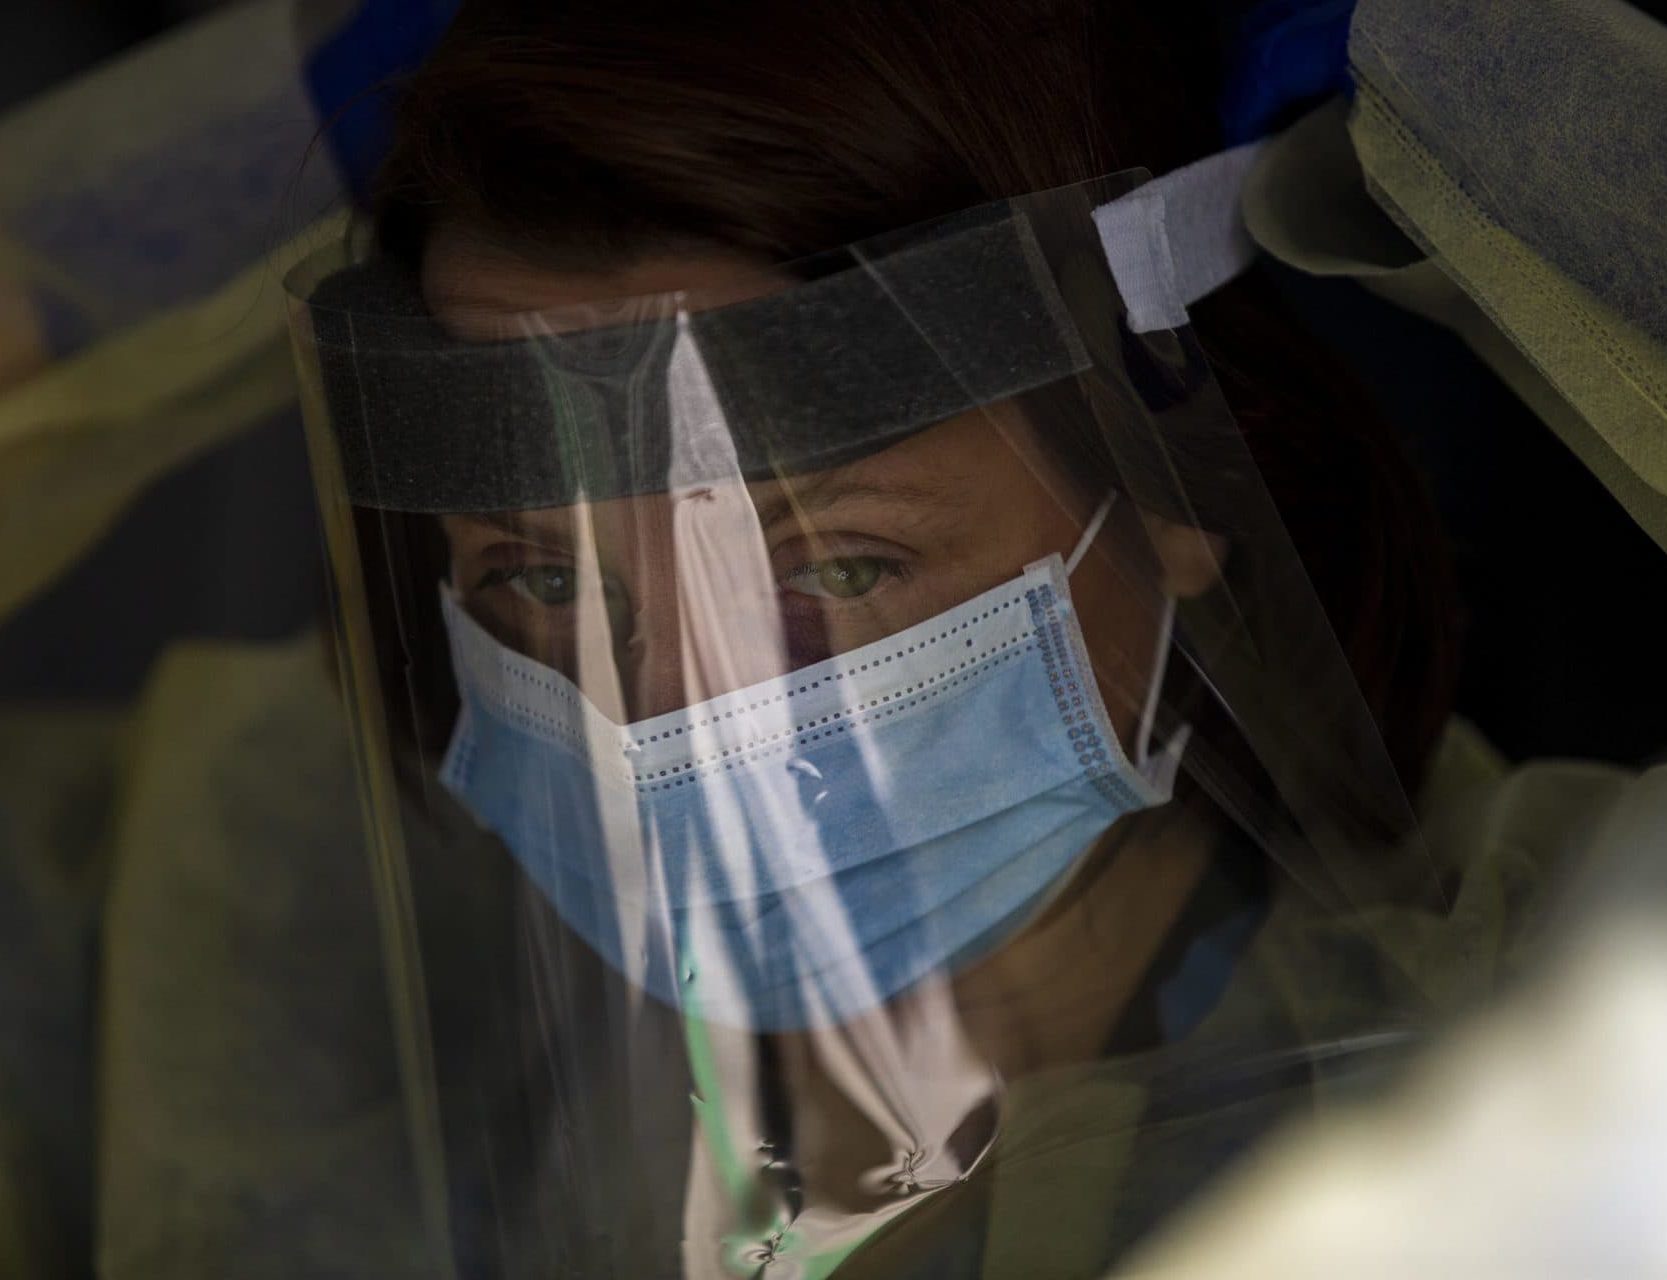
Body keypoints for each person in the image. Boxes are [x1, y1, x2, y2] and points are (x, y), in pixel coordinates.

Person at [285, 1, 1469, 1274]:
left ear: (1177, 480)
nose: (666, 719)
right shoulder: (246, 973)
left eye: (840, 566)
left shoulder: (1570, 1072)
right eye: (546, 580)